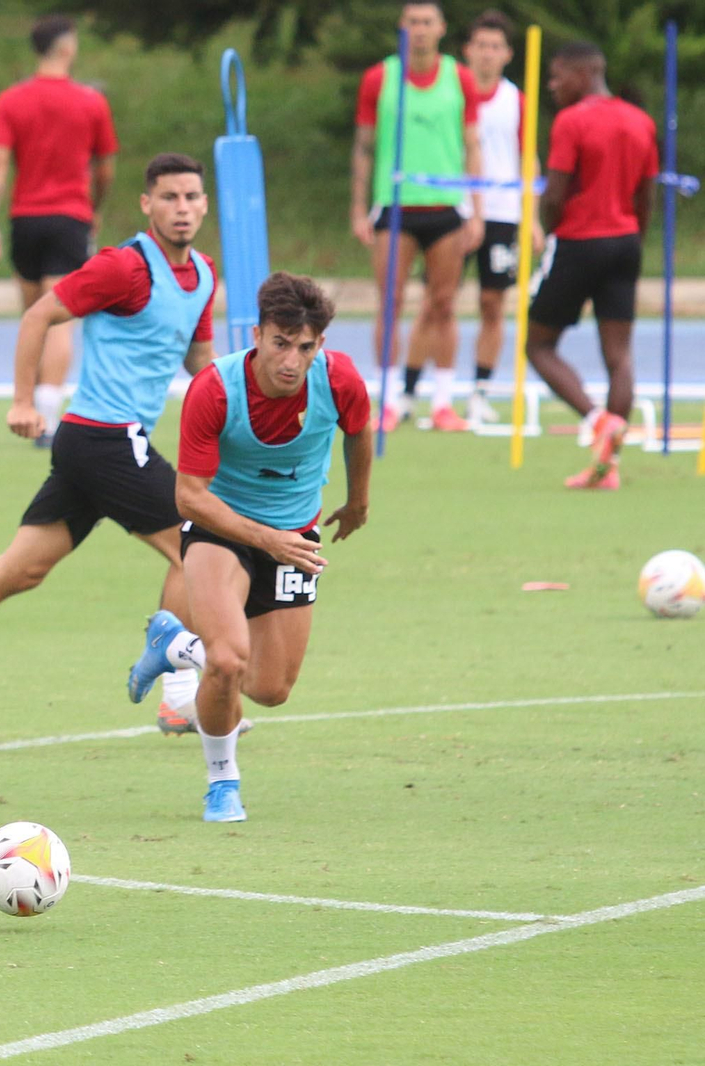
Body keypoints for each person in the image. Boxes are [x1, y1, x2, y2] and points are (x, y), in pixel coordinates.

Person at [0, 152, 217, 737]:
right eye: (169, 197)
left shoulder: (203, 275)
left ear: (205, 205)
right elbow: (38, 315)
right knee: (198, 545)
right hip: (106, 437)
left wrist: (242, 403)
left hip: (97, 446)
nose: (181, 208)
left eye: (190, 197)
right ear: (146, 204)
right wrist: (24, 401)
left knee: (21, 569)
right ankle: (180, 697)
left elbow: (199, 359)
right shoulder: (123, 267)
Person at [128, 273, 373, 822]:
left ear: (321, 344)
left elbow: (360, 428)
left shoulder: (339, 380)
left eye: (305, 347)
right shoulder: (215, 389)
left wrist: (358, 502)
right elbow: (189, 498)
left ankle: (174, 644)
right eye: (280, 343)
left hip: (295, 536)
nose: (291, 360)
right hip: (220, 528)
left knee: (271, 688)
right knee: (226, 661)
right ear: (257, 334)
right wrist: (267, 540)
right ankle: (222, 782)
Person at [0, 14, 119, 445]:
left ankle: (31, 407)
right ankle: (49, 417)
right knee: (58, 319)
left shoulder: (11, 100)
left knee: (32, 315)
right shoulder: (91, 102)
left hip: (25, 219)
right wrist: (95, 207)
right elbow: (105, 168)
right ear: (67, 47)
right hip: (69, 218)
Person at [351, 0, 485, 433]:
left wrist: (476, 210)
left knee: (443, 304)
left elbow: (472, 145)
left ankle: (442, 402)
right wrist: (358, 207)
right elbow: (364, 146)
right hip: (395, 206)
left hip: (446, 206)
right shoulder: (381, 77)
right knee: (389, 302)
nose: (420, 29)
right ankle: (388, 401)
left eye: (428, 22)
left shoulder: (459, 78)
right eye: (413, 22)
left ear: (441, 28)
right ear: (402, 26)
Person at [527, 41, 657, 490]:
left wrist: (552, 231)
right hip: (626, 242)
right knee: (619, 355)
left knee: (538, 345)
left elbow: (555, 194)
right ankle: (608, 468)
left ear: (584, 74)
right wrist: (634, 239)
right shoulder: (640, 121)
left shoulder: (572, 120)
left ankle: (600, 421)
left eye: (558, 75)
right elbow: (646, 195)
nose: (553, 85)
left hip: (581, 241)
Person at [461, 9, 543, 426]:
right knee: (438, 299)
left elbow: (529, 157)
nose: (488, 54)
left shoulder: (516, 100)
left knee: (493, 303)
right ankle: (422, 390)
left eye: (495, 46)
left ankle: (479, 391)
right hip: (458, 210)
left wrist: (533, 217)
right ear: (468, 50)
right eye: (481, 46)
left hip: (503, 213)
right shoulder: (454, 93)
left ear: (507, 53)